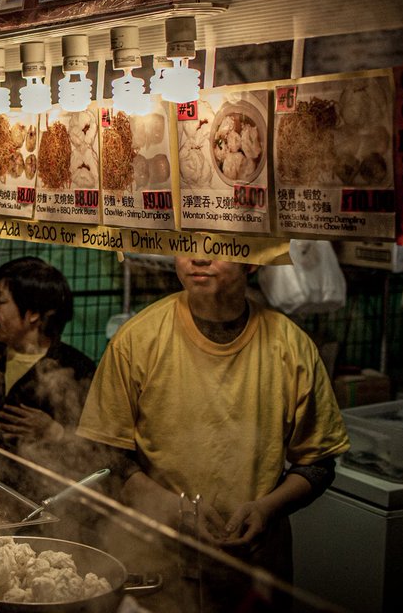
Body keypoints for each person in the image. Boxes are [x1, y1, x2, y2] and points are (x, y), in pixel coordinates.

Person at [76, 256, 349, 600]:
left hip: (255, 571)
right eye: (187, 243)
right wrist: (174, 508)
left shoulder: (291, 345)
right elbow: (106, 457)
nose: (199, 256)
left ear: (252, 261)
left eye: (216, 244)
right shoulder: (137, 339)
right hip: (158, 568)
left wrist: (267, 509)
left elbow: (319, 463)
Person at [0, 257, 96, 477]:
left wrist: (55, 433)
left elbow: (96, 455)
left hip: (40, 491)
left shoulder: (77, 370)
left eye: (1, 302)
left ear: (33, 313)